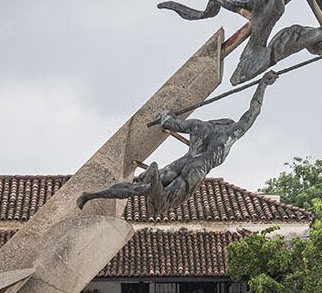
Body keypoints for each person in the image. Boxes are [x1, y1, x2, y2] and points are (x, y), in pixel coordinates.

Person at [77, 71, 279, 215]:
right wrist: (263, 84)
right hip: (198, 169)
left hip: (182, 162)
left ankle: (94, 195)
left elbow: (168, 122)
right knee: (163, 204)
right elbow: (254, 111)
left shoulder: (199, 127)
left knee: (140, 188)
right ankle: (152, 174)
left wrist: (167, 114)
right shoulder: (230, 132)